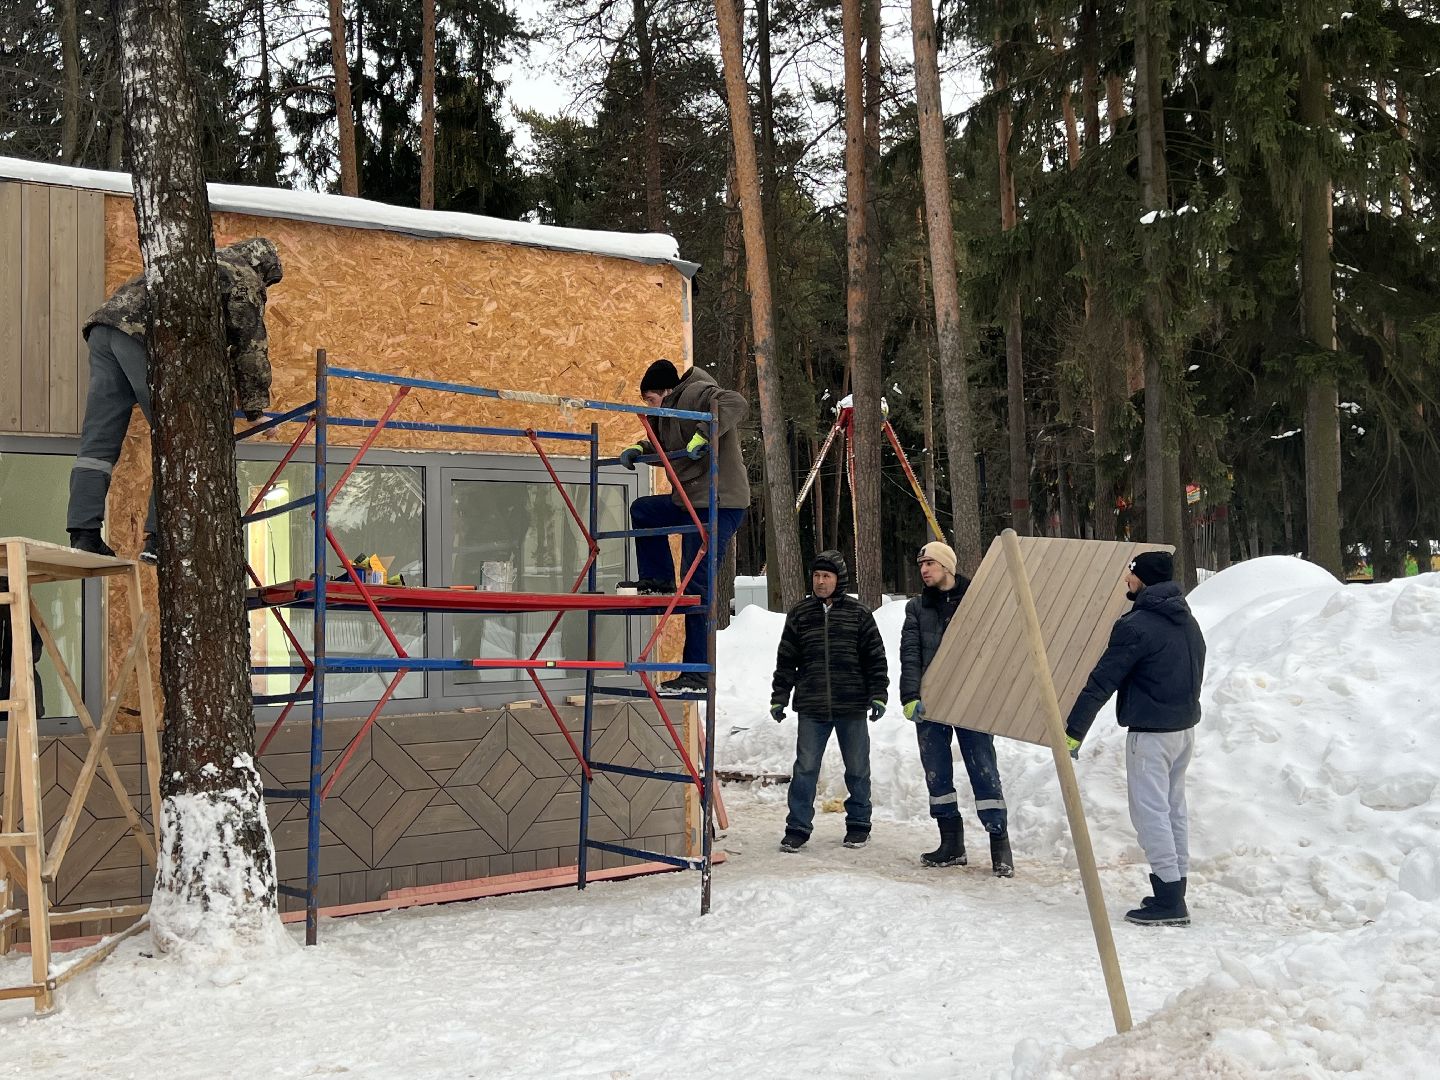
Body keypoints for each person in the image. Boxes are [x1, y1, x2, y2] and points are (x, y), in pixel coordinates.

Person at [67, 237, 284, 564]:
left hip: (105, 329)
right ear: (263, 269)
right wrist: (255, 411)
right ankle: (159, 538)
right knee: (180, 436)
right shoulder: (243, 277)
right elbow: (250, 345)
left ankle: (83, 534)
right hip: (141, 336)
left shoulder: (200, 263)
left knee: (99, 442)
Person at [1064, 550, 1205, 927]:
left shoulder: (1137, 625)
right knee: (1173, 809)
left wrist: (1072, 732)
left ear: (1143, 579)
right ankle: (1173, 889)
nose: (1126, 581)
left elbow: (1101, 681)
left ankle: (1168, 901)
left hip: (1152, 736)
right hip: (1183, 731)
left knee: (1150, 814)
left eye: (1130, 575)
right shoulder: (1187, 621)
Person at [616, 358, 748, 695]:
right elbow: (661, 444)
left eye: (650, 400)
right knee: (643, 511)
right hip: (690, 503)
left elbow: (736, 402)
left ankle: (697, 673)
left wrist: (705, 434)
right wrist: (638, 448)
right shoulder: (667, 414)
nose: (649, 406)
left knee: (695, 586)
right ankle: (658, 580)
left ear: (666, 391)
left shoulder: (695, 394)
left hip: (719, 504)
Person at [899, 541, 1013, 877]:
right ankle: (951, 844)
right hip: (930, 702)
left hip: (972, 700)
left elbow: (995, 648)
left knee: (983, 769)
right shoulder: (917, 607)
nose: (924, 570)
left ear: (947, 566)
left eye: (930, 563)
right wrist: (910, 696)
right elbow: (910, 653)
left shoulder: (977, 600)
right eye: (921, 564)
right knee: (936, 771)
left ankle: (999, 844)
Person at [770, 550, 888, 852]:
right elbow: (786, 660)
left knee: (858, 768)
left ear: (839, 580)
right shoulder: (800, 614)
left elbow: (875, 659)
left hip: (851, 705)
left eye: (827, 576)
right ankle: (797, 827)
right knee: (806, 768)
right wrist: (779, 697)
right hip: (812, 706)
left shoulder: (859, 614)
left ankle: (859, 825)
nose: (821, 582)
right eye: (817, 576)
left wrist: (878, 694)